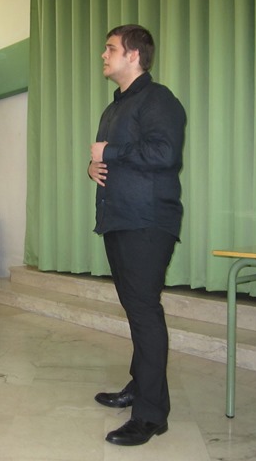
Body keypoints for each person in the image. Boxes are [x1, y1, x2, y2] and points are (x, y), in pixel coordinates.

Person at [88, 25, 186, 446]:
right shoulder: (114, 107)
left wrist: (108, 152)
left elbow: (165, 153)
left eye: (110, 49)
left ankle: (150, 415)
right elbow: (112, 161)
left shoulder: (159, 99)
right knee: (136, 310)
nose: (103, 55)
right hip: (119, 219)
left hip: (147, 221)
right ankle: (139, 385)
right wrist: (92, 167)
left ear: (133, 55)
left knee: (144, 312)